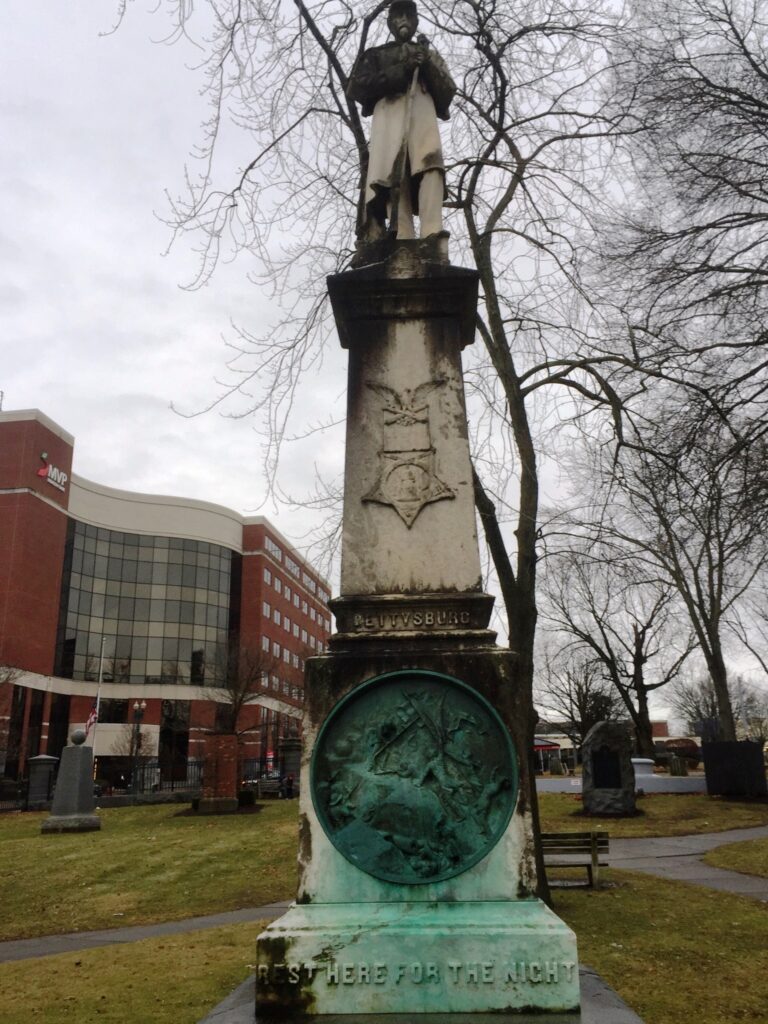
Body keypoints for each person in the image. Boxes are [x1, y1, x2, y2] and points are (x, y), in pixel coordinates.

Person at [348, 0, 456, 241]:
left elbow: (447, 92)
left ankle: (433, 233)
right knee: (394, 175)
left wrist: (426, 63)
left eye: (408, 15)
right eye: (397, 16)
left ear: (416, 21)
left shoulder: (428, 55)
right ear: (389, 23)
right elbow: (357, 87)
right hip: (389, 117)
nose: (403, 20)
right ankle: (403, 236)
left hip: (423, 113)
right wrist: (402, 69)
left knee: (431, 164)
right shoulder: (376, 55)